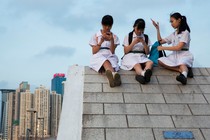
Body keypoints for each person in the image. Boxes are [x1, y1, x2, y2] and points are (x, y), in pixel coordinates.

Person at [151, 12, 194, 85]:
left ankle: (184, 75)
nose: (171, 24)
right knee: (160, 61)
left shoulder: (185, 33)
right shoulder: (174, 33)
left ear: (179, 20)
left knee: (182, 63)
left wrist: (163, 48)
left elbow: (178, 47)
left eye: (172, 21)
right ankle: (181, 70)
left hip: (184, 54)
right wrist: (157, 29)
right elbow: (161, 41)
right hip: (174, 55)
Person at [89, 15, 121, 87]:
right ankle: (113, 75)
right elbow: (94, 51)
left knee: (109, 60)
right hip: (99, 55)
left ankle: (111, 79)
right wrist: (101, 41)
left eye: (109, 26)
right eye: (105, 25)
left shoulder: (115, 37)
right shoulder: (96, 36)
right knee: (104, 60)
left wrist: (112, 39)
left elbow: (112, 51)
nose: (107, 28)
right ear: (102, 24)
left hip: (109, 54)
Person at [121, 19, 153, 84]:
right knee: (137, 64)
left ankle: (142, 76)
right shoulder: (129, 36)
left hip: (141, 56)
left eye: (141, 30)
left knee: (150, 63)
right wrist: (134, 42)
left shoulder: (146, 37)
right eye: (138, 29)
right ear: (134, 27)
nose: (139, 31)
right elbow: (125, 51)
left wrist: (144, 43)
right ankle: (143, 74)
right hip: (130, 55)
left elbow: (147, 52)